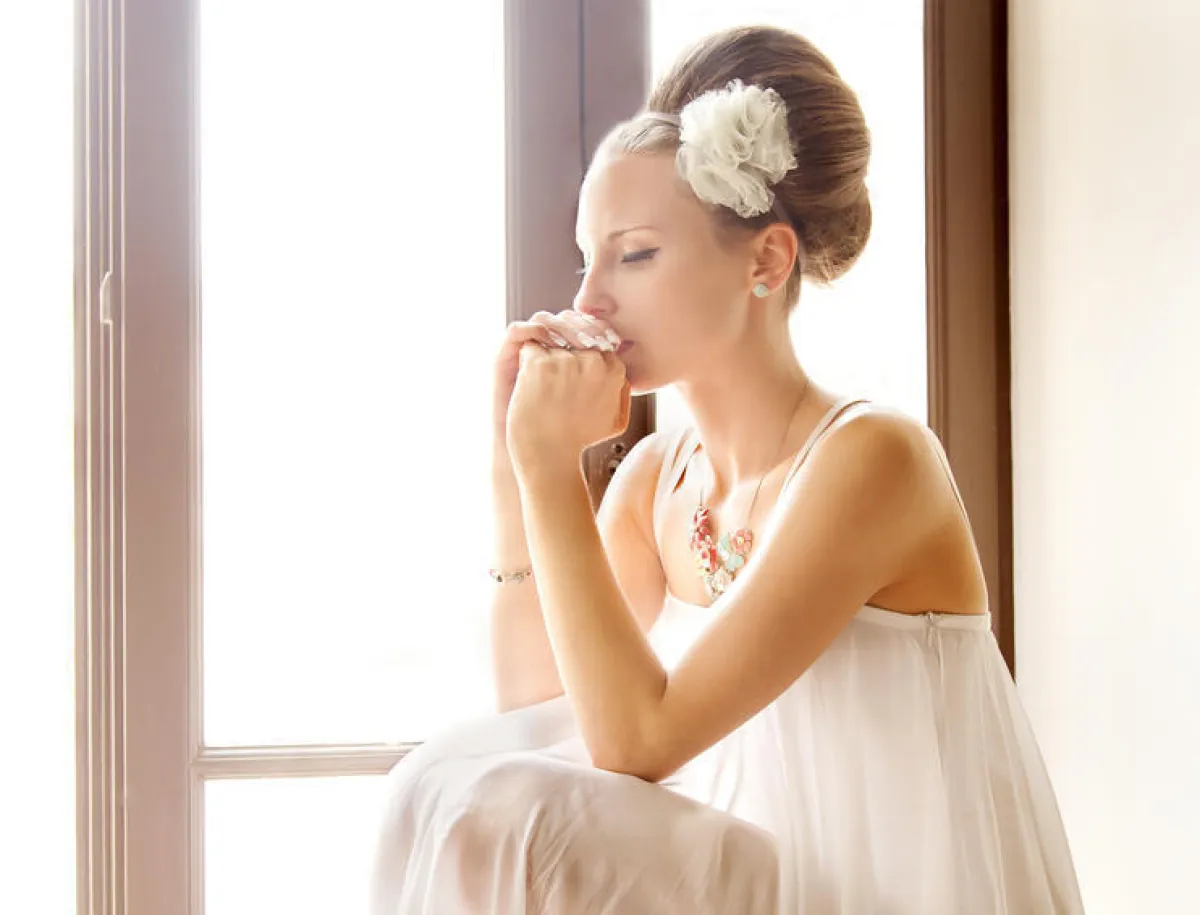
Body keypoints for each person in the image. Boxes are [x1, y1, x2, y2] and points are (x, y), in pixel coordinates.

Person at [370, 24, 1083, 915]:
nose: (590, 299)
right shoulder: (658, 481)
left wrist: (554, 472)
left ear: (766, 260)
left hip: (892, 899)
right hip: (782, 887)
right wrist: (511, 462)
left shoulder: (873, 458)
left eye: (634, 254)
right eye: (588, 258)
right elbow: (536, 707)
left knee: (500, 805)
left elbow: (639, 740)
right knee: (456, 786)